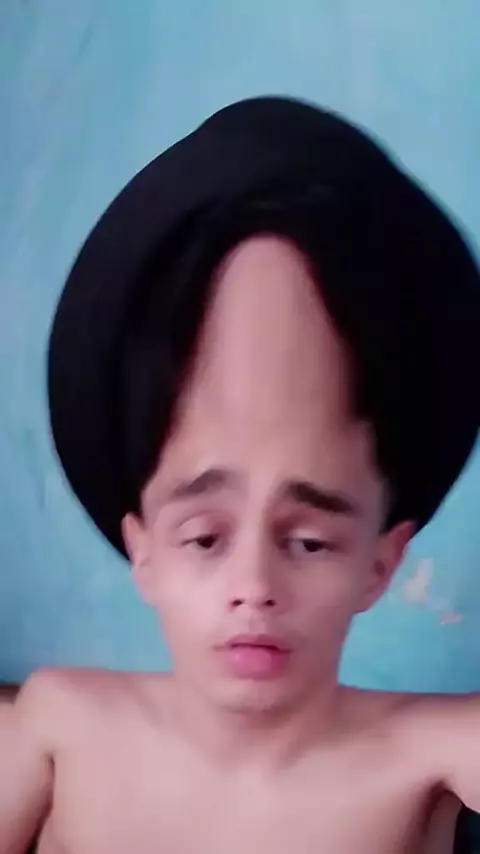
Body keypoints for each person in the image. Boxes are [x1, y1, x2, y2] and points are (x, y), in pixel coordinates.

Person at [1, 96, 479, 854]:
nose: (254, 586)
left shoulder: (435, 753)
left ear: (380, 563)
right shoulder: (59, 725)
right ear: (143, 549)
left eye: (310, 542)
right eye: (204, 538)